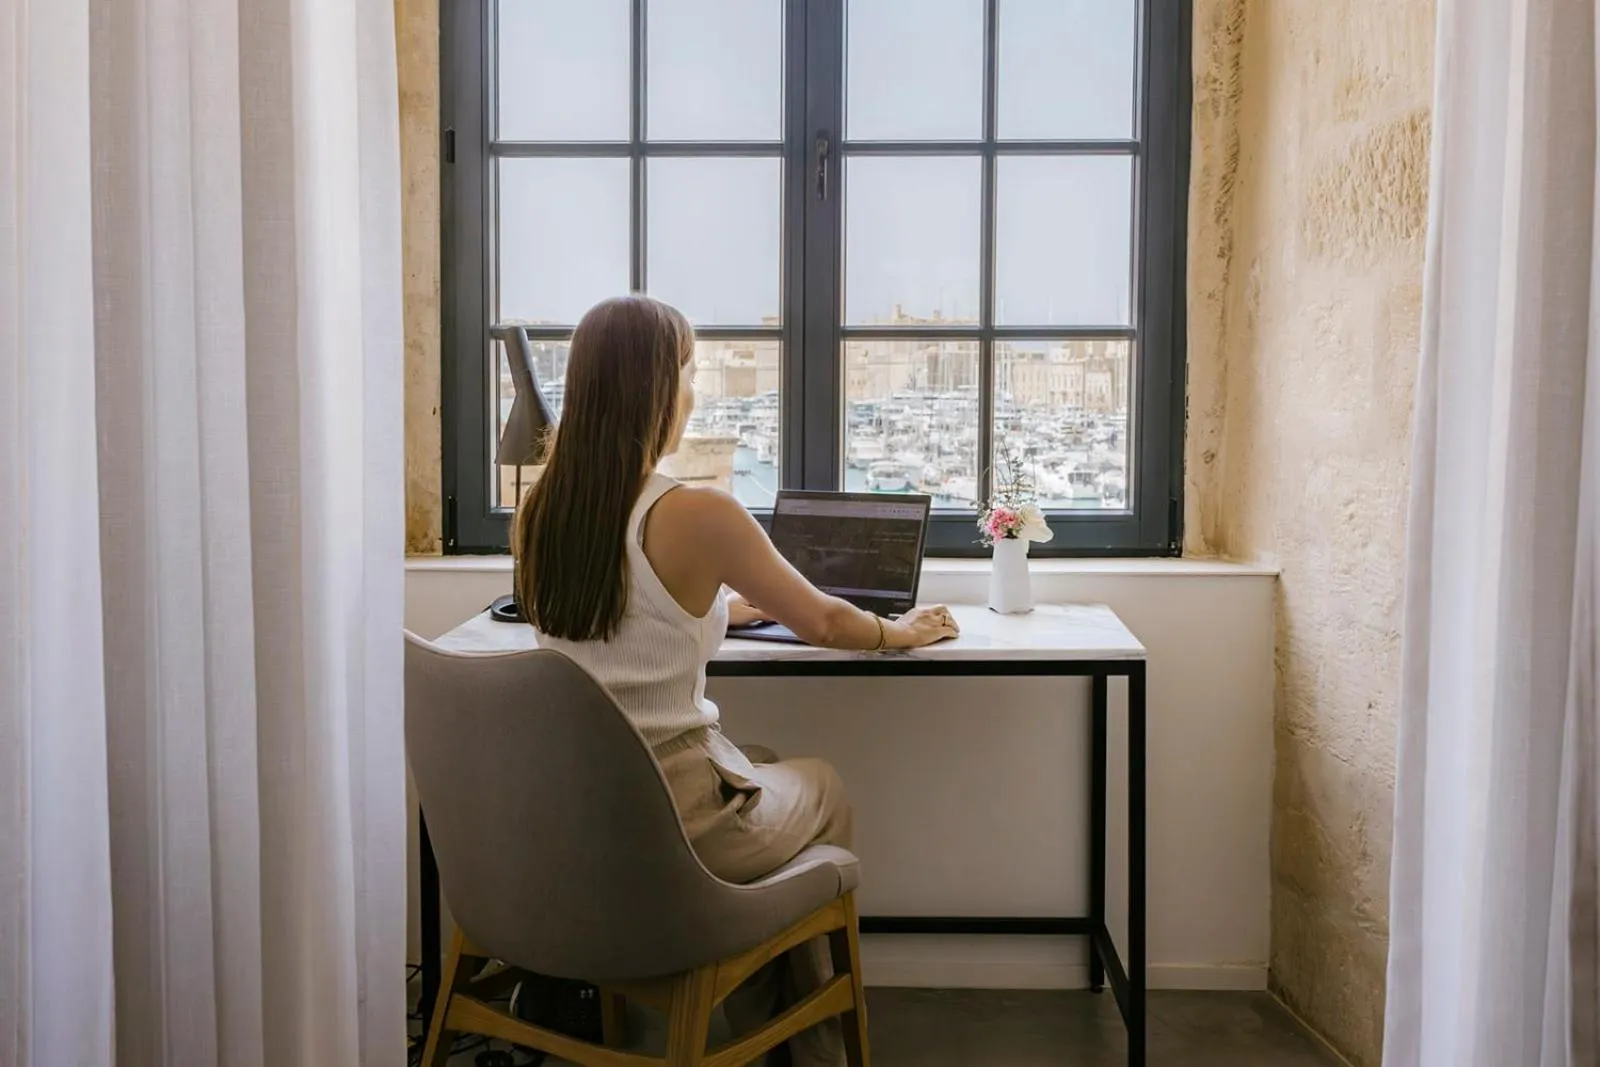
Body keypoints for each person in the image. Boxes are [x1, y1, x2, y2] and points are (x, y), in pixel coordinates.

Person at [512, 294, 959, 1066]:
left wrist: (721, 606)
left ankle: (758, 1022)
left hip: (576, 822)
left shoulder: (541, 508)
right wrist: (899, 630)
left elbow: (621, 608)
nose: (694, 392)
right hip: (674, 827)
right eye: (687, 372)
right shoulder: (698, 514)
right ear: (656, 390)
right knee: (820, 783)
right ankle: (803, 1047)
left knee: (755, 751)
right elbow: (823, 622)